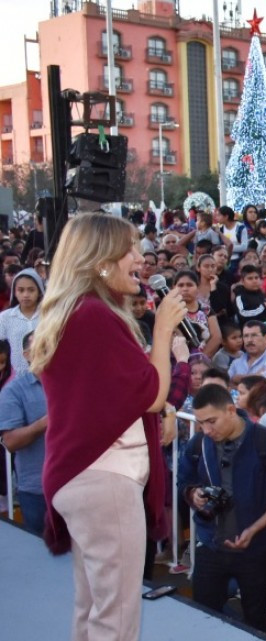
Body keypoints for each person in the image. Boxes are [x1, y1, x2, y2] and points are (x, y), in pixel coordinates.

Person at [32, 213, 188, 641]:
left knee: (93, 611)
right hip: (104, 481)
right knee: (116, 620)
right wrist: (162, 331)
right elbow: (152, 394)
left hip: (85, 478)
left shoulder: (78, 313)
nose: (141, 258)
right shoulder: (93, 317)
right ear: (102, 261)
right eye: (131, 250)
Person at [179, 384, 266, 634]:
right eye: (201, 422)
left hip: (256, 550)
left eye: (211, 421)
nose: (206, 430)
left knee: (257, 619)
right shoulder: (198, 445)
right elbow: (183, 481)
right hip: (210, 545)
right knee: (202, 616)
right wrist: (193, 494)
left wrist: (254, 530)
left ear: (230, 410)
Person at [0, 331, 47, 534]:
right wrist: (45, 423)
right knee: (40, 554)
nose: (49, 351)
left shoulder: (75, 386)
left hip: (78, 486)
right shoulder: (14, 391)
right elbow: (10, 441)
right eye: (41, 347)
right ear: (26, 354)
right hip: (37, 490)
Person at [0, 267, 43, 375]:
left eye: (31, 290)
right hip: (17, 375)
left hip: (44, 374)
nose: (26, 295)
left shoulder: (48, 315)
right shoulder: (6, 317)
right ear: (14, 292)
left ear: (39, 291)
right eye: (21, 290)